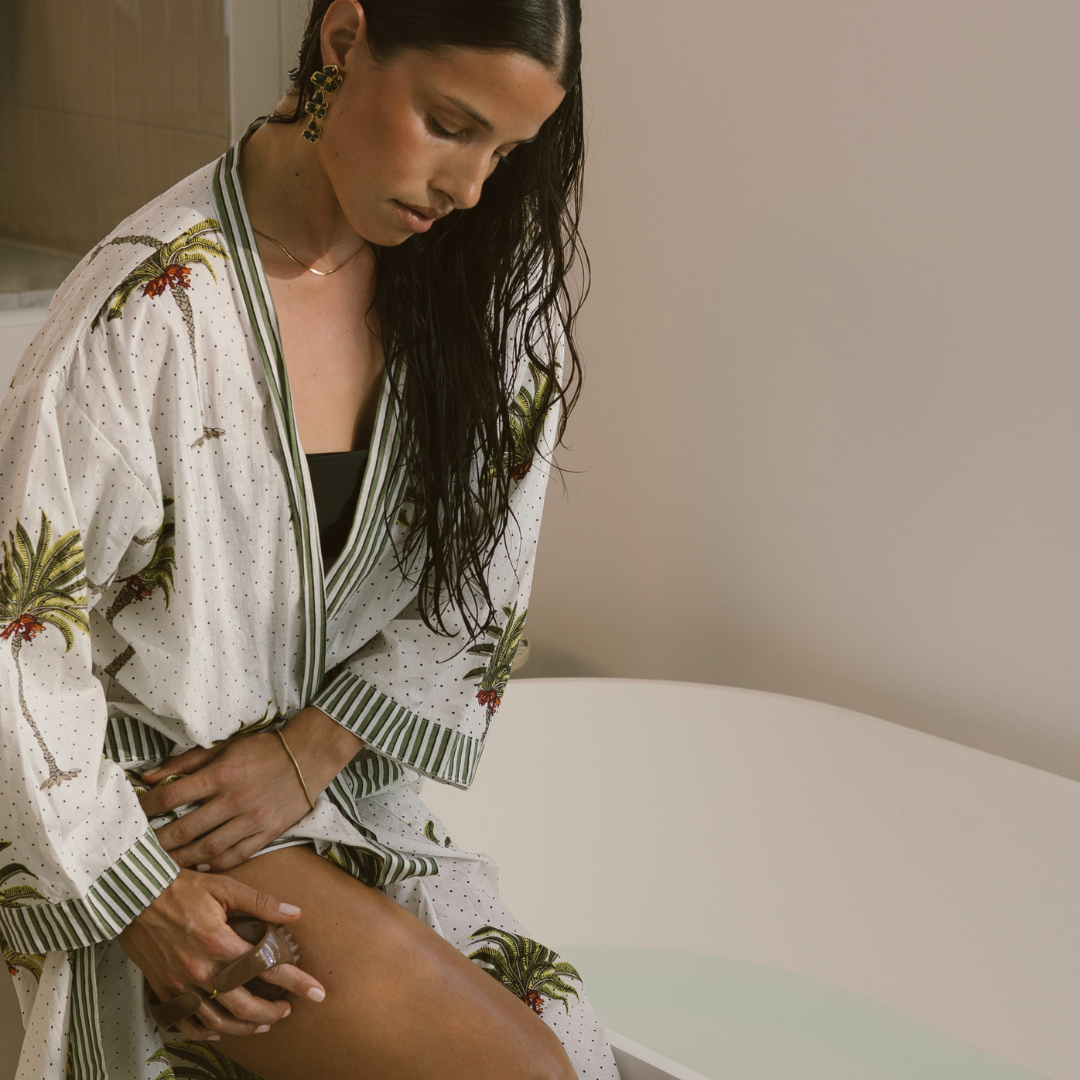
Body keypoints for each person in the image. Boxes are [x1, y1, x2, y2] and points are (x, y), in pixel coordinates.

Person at [0, 1, 615, 1077]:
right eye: (450, 123)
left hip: (342, 790)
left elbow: (483, 584)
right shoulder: (153, 309)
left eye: (506, 150)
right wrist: (142, 897)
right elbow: (17, 639)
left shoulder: (487, 299)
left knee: (566, 1046)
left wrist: (310, 748)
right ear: (341, 41)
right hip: (142, 826)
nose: (469, 187)